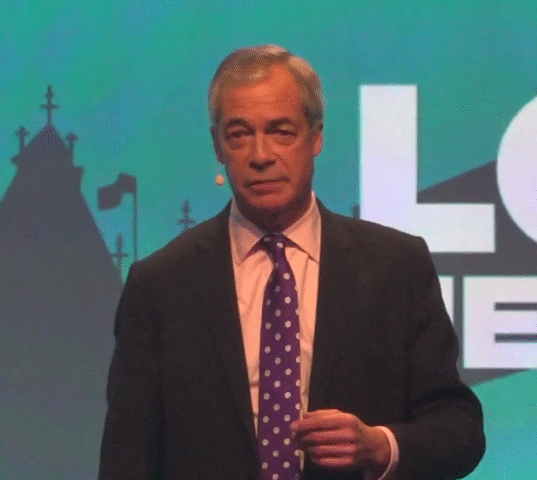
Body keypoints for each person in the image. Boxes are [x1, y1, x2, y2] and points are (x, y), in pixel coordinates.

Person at [98, 44, 485, 480]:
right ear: (217, 145)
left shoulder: (395, 268)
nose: (261, 155)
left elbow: (460, 429)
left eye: (281, 131)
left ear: (316, 137)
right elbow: (126, 457)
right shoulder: (161, 285)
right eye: (239, 134)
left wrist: (380, 446)